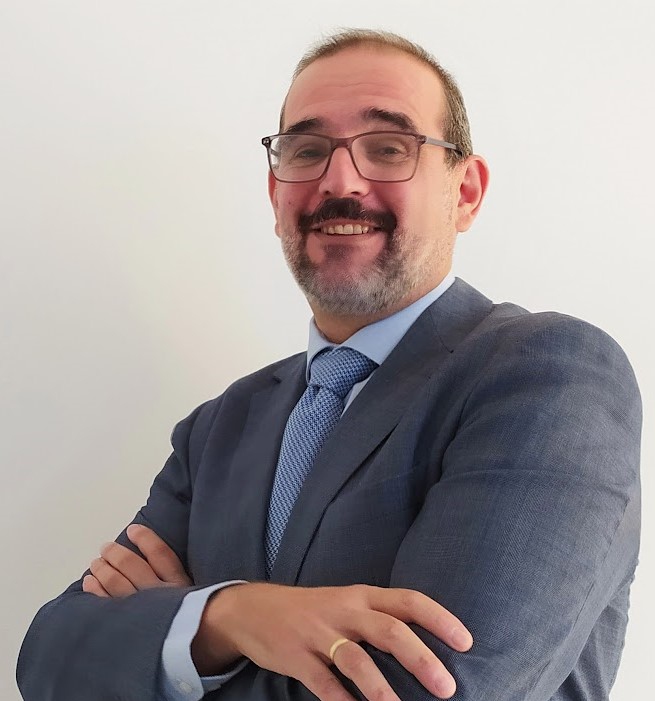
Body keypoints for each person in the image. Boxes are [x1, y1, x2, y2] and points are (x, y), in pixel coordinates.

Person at [17, 28, 641, 701]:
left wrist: (178, 638)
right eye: (307, 150)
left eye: (389, 147)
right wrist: (234, 613)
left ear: (464, 192)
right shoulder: (218, 428)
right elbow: (50, 662)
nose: (339, 181)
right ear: (274, 191)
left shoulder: (548, 375)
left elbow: (433, 690)